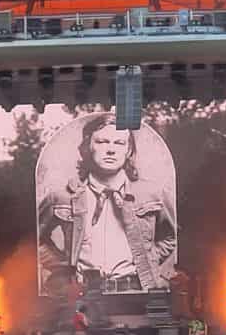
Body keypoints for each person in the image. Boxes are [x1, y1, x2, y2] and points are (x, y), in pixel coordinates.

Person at [38, 112, 177, 294]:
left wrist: (147, 261)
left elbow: (170, 237)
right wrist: (63, 266)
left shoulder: (152, 193)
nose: (110, 150)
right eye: (102, 142)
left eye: (119, 143)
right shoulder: (62, 195)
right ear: (87, 147)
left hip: (136, 293)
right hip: (82, 293)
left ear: (128, 151)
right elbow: (36, 239)